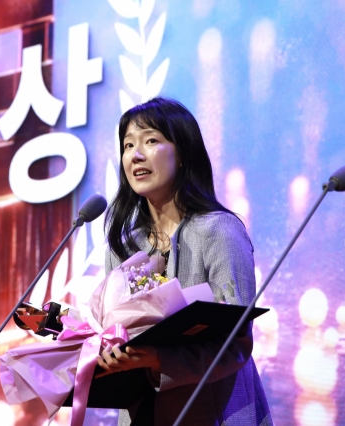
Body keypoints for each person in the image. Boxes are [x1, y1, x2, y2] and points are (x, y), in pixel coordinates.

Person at [96, 97, 273, 425]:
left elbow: (236, 343)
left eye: (151, 141)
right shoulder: (122, 246)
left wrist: (159, 359)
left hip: (216, 413)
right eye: (127, 145)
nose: (135, 155)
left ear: (183, 152)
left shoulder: (220, 230)